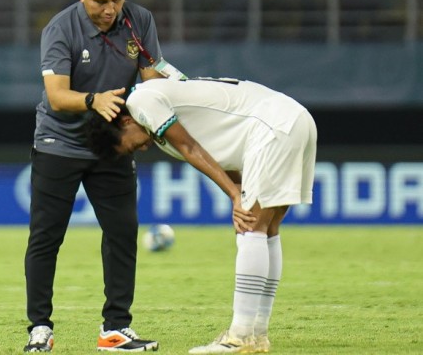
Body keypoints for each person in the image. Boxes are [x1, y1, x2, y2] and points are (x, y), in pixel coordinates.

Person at [85, 77, 317, 354]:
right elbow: (212, 153)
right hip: (292, 119)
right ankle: (257, 335)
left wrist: (234, 195)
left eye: (132, 146)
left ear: (124, 122)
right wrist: (238, 188)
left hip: (272, 126)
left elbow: (191, 148)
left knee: (250, 228)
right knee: (266, 229)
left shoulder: (140, 101)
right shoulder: (158, 117)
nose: (141, 148)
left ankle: (240, 337)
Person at [24, 0, 168, 352]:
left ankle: (116, 328)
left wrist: (148, 105)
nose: (110, 10)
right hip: (60, 143)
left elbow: (152, 77)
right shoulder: (59, 29)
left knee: (122, 232)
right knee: (46, 236)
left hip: (111, 145)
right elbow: (56, 96)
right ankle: (40, 327)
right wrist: (93, 100)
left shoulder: (139, 21)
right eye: (100, 1)